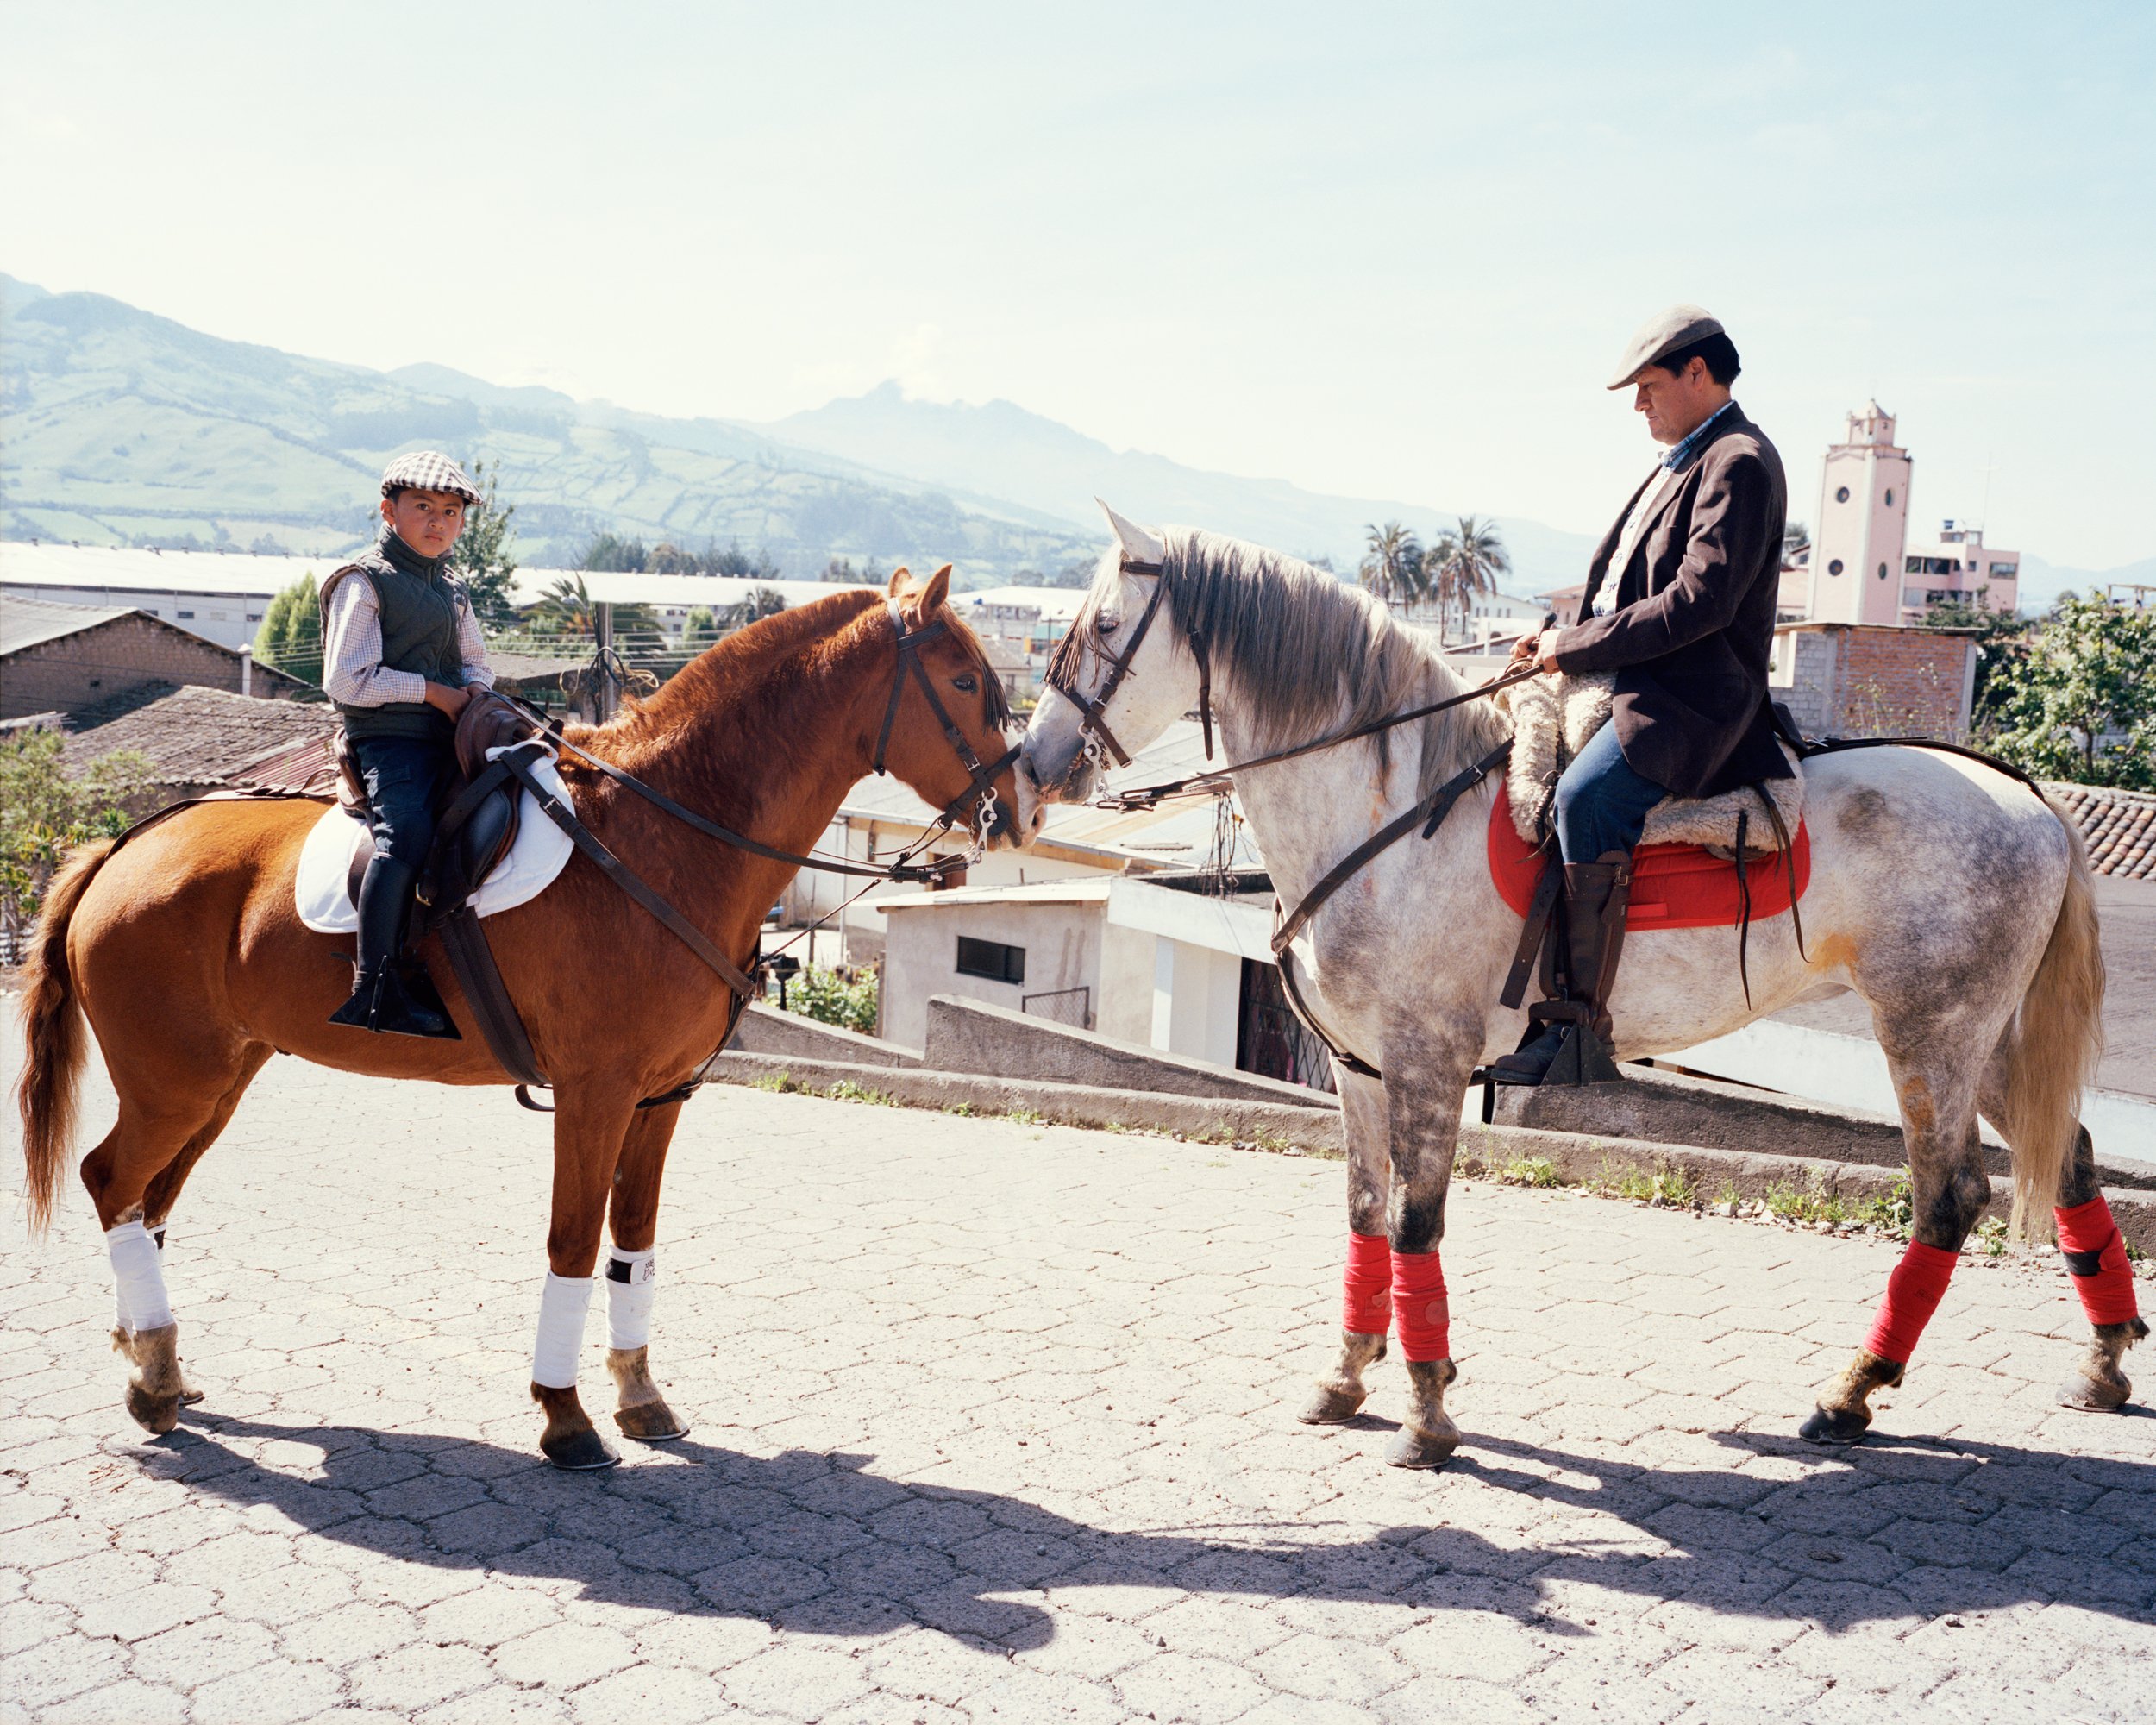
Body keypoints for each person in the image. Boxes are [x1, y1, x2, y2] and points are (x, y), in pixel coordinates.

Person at [1491, 305, 1790, 1084]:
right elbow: (1622, 590)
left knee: (1586, 801)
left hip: (1688, 701)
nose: (1638, 405)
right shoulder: (1684, 460)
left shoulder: (1739, 462)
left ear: (1699, 373)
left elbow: (1699, 604)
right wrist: (1556, 636)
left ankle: (1578, 1030)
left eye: (1649, 386)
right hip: (1624, 676)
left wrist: (1573, 648)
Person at [319, 451, 496, 1038]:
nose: (438, 522)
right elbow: (346, 680)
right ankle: (375, 987)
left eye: (450, 512)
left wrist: (475, 694)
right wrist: (435, 694)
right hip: (389, 739)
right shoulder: (363, 581)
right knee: (407, 836)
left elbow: (476, 663)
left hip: (452, 734)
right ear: (389, 511)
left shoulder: (453, 589)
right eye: (423, 508)